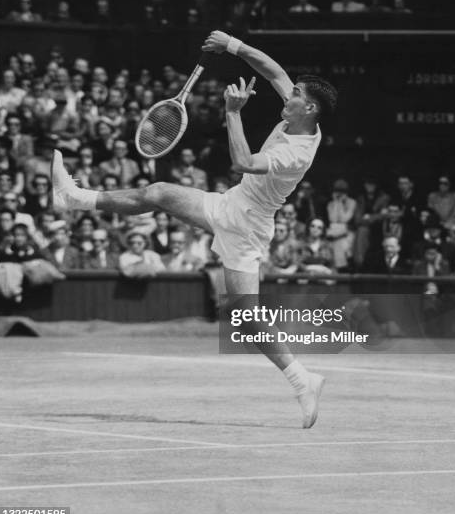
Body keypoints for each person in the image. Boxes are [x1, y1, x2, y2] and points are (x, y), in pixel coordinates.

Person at [51, 29, 338, 428]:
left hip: (247, 224)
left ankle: (301, 379)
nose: (285, 97)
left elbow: (243, 161)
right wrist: (232, 46)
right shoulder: (301, 115)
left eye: (293, 97)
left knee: (244, 316)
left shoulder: (297, 151)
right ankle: (75, 199)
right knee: (158, 192)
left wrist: (233, 111)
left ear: (307, 108)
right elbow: (272, 70)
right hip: (233, 204)